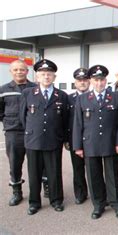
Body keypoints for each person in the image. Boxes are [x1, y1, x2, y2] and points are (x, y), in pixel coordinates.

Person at [73, 65, 118, 220]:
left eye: (102, 80)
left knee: (113, 176)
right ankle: (98, 205)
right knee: (93, 176)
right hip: (90, 143)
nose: (99, 83)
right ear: (91, 81)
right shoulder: (82, 99)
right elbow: (77, 123)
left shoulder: (116, 98)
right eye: (96, 80)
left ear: (106, 80)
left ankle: (117, 204)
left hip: (111, 143)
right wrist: (77, 146)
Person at [20, 59, 69, 215]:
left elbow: (65, 119)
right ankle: (34, 202)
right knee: (34, 174)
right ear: (37, 77)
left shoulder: (61, 95)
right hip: (33, 140)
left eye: (49, 74)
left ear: (54, 77)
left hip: (53, 140)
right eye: (43, 74)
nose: (46, 76)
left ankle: (56, 200)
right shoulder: (28, 93)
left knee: (54, 172)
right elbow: (23, 117)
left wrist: (63, 138)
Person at [0, 60, 37, 206]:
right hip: (14, 132)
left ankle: (45, 187)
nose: (19, 72)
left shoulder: (35, 87)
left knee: (38, 163)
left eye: (22, 69)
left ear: (27, 71)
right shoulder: (3, 90)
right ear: (11, 72)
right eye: (15, 70)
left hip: (33, 131)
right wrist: (9, 121)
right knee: (15, 163)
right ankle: (17, 191)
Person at [65, 68, 90, 205]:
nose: (82, 83)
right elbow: (64, 120)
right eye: (80, 80)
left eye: (85, 80)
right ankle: (80, 193)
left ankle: (97, 191)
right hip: (75, 139)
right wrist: (66, 139)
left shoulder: (94, 96)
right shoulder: (68, 99)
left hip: (92, 139)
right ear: (75, 82)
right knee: (78, 168)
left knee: (94, 168)